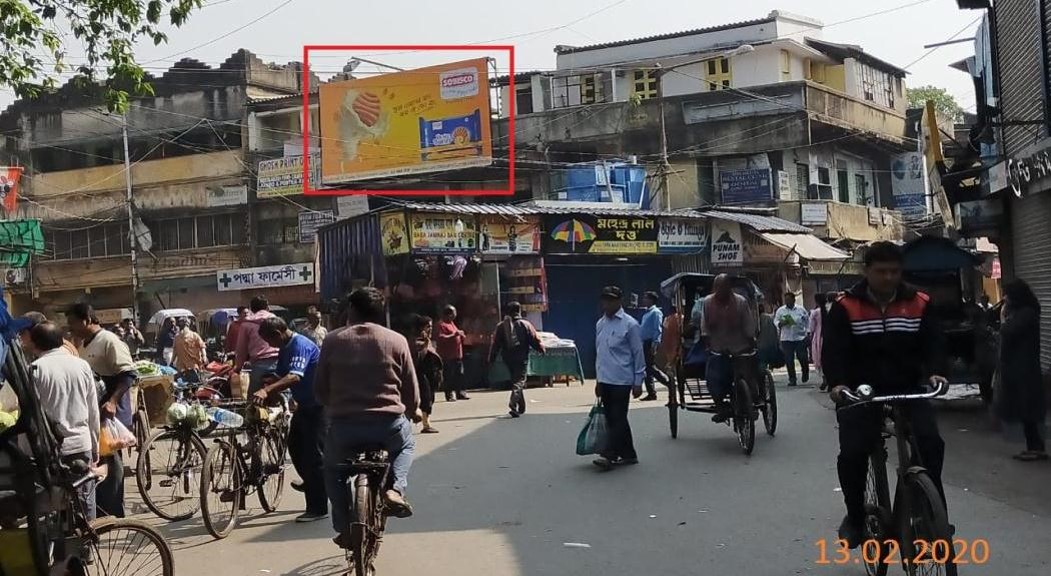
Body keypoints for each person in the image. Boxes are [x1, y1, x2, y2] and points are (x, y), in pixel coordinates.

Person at [823, 241, 948, 548]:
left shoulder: (919, 302)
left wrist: (937, 371)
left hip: (909, 388)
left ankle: (927, 510)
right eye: (881, 272)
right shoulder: (845, 306)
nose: (889, 277)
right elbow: (834, 351)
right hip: (859, 393)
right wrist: (838, 384)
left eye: (894, 271)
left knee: (931, 443)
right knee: (853, 453)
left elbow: (935, 344)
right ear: (867, 271)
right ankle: (854, 518)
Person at [315, 288, 420, 548]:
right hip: (389, 425)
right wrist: (414, 409)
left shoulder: (332, 340)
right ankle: (395, 489)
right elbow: (411, 391)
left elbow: (319, 390)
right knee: (406, 444)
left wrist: (335, 407)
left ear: (351, 311)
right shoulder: (396, 340)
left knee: (333, 471)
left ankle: (344, 527)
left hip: (344, 428)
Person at [254, 316, 328, 522]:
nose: (269, 346)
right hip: (304, 405)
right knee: (294, 446)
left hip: (320, 405)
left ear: (277, 334)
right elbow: (281, 375)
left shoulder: (299, 345)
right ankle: (313, 482)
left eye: (269, 341)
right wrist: (268, 383)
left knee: (313, 455)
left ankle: (318, 507)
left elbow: (295, 376)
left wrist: (266, 390)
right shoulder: (285, 348)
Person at [68, 303, 138, 518]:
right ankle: (99, 510)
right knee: (98, 462)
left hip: (111, 412)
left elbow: (128, 374)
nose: (71, 327)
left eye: (73, 322)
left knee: (111, 461)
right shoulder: (82, 345)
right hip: (94, 411)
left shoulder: (108, 340)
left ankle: (113, 511)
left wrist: (113, 402)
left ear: (87, 320)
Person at [27, 321, 100, 520]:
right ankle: (85, 548)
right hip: (81, 445)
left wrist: (28, 453)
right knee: (84, 505)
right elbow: (93, 410)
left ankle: (59, 548)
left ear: (35, 344)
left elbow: (31, 417)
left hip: (51, 451)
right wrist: (95, 447)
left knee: (53, 509)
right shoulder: (82, 365)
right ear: (62, 341)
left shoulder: (35, 369)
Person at [592, 286, 645, 470]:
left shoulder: (630, 324)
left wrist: (638, 382)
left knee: (618, 417)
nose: (607, 303)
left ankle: (609, 455)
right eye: (605, 299)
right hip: (605, 379)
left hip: (622, 380)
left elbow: (638, 353)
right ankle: (629, 454)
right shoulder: (600, 324)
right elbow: (600, 353)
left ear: (619, 301)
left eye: (611, 300)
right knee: (613, 418)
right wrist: (598, 380)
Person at [996, 279, 1047, 461]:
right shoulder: (1021, 312)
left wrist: (1003, 319)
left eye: (1007, 294)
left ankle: (1037, 446)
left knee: (1028, 408)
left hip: (1025, 368)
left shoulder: (1027, 313)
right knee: (1023, 408)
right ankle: (1032, 445)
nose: (1005, 298)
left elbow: (1009, 331)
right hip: (1017, 367)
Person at [701, 274, 756, 422]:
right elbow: (705, 327)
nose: (721, 290)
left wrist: (751, 341)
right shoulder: (707, 302)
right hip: (718, 348)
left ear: (729, 288)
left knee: (749, 374)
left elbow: (748, 324)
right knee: (713, 378)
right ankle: (721, 406)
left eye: (724, 287)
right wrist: (707, 342)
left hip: (740, 347)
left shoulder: (740, 302)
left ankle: (752, 402)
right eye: (718, 287)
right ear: (715, 288)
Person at [489, 301, 544, 418]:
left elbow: (495, 345)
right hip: (521, 358)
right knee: (519, 381)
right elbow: (534, 340)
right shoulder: (525, 324)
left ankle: (521, 407)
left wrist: (491, 359)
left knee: (516, 380)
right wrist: (541, 350)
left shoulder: (501, 326)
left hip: (508, 358)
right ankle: (513, 403)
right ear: (519, 311)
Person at [235, 296, 280, 395]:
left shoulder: (246, 324)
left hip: (259, 365)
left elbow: (241, 350)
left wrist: (238, 368)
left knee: (252, 399)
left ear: (252, 309)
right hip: (279, 363)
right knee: (285, 394)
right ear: (267, 308)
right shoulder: (276, 320)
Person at [410, 314, 442, 434]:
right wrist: (425, 344)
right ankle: (426, 424)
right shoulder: (417, 342)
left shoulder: (428, 341)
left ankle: (426, 422)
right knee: (425, 397)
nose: (430, 329)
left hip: (430, 374)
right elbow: (418, 357)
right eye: (428, 326)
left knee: (429, 398)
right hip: (420, 374)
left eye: (431, 326)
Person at [638, 291, 669, 401]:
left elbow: (657, 328)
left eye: (645, 298)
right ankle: (651, 392)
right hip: (644, 342)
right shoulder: (647, 313)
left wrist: (655, 343)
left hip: (650, 342)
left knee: (650, 367)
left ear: (651, 300)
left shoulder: (655, 312)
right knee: (647, 368)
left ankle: (669, 383)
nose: (643, 300)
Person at [774, 292, 810, 386]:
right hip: (786, 338)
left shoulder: (801, 309)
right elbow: (776, 321)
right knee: (789, 360)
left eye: (789, 300)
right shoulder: (780, 310)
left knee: (802, 357)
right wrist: (781, 323)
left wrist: (807, 332)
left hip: (800, 337)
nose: (787, 302)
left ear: (794, 300)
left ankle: (805, 372)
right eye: (786, 300)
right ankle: (792, 379)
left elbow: (807, 321)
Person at [435, 305, 469, 401]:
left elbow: (456, 333)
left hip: (457, 354)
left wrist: (460, 334)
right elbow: (440, 338)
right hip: (447, 356)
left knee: (460, 375)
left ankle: (461, 393)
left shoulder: (452, 323)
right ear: (449, 314)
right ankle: (449, 394)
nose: (456, 314)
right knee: (449, 376)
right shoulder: (441, 324)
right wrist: (454, 335)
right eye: (454, 312)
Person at [809, 293, 828, 390]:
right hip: (829, 337)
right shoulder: (830, 310)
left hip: (819, 337)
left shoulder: (815, 312)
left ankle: (825, 379)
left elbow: (811, 328)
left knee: (820, 359)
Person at [658, 306, 683, 378]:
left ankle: (671, 370)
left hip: (670, 342)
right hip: (677, 340)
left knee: (671, 358)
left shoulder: (667, 319)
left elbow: (664, 331)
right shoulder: (681, 317)